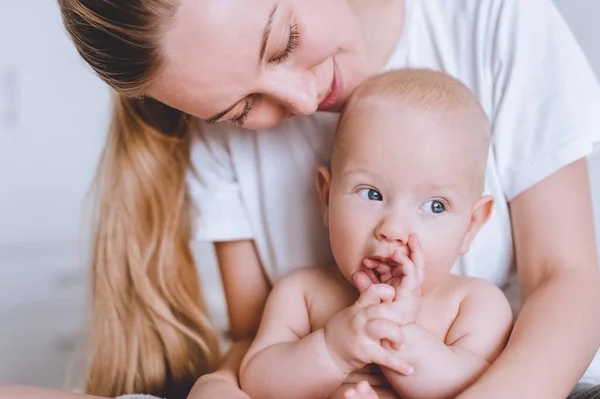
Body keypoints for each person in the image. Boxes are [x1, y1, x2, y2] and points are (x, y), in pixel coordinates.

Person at [2, 0, 599, 397]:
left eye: (284, 39)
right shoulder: (217, 139)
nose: (304, 100)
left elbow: (568, 280)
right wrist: (221, 384)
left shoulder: (491, 17)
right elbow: (255, 338)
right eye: (242, 109)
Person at [240, 69, 514, 399]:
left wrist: (399, 333)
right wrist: (332, 348)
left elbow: (479, 388)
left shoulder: (473, 305)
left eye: (435, 206)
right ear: (327, 198)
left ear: (470, 226)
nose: (393, 230)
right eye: (371, 194)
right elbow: (257, 380)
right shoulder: (303, 295)